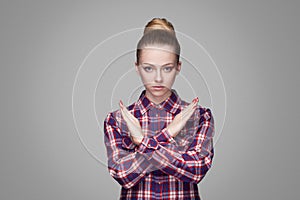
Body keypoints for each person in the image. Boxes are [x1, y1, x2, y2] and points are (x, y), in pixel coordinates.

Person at [103, 17, 215, 200]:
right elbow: (123, 175)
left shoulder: (200, 117)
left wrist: (142, 141)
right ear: (137, 68)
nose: (158, 78)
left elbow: (195, 172)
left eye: (167, 68)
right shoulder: (118, 120)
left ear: (178, 67)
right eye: (148, 68)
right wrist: (168, 134)